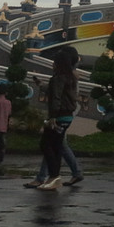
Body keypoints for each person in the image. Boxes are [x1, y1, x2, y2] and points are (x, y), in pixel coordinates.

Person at [37, 46, 79, 190]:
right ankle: (53, 178)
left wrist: (53, 117)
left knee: (47, 145)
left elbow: (56, 97)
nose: (52, 64)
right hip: (67, 116)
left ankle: (54, 177)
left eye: (54, 61)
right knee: (56, 146)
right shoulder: (71, 77)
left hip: (59, 116)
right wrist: (42, 85)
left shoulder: (58, 78)